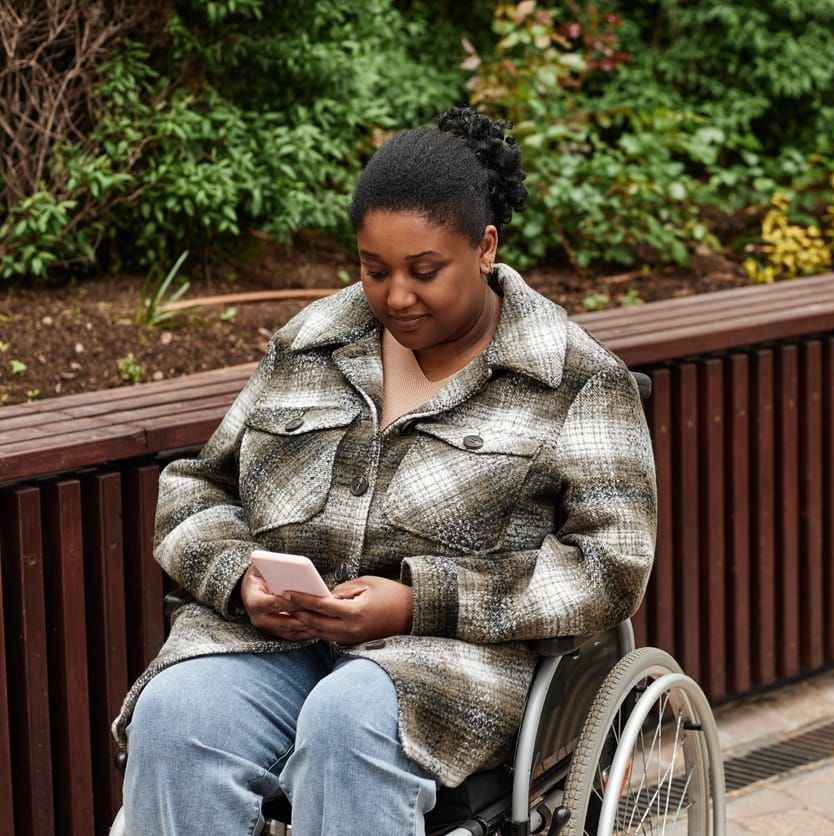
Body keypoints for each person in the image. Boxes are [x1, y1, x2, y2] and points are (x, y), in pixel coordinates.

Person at [113, 106, 658, 835]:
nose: (396, 296)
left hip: (451, 666)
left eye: (424, 271)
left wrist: (417, 604)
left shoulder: (572, 378)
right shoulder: (313, 342)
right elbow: (198, 486)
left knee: (347, 721)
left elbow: (609, 569)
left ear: (485, 247)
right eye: (375, 271)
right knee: (176, 714)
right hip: (273, 642)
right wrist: (240, 577)